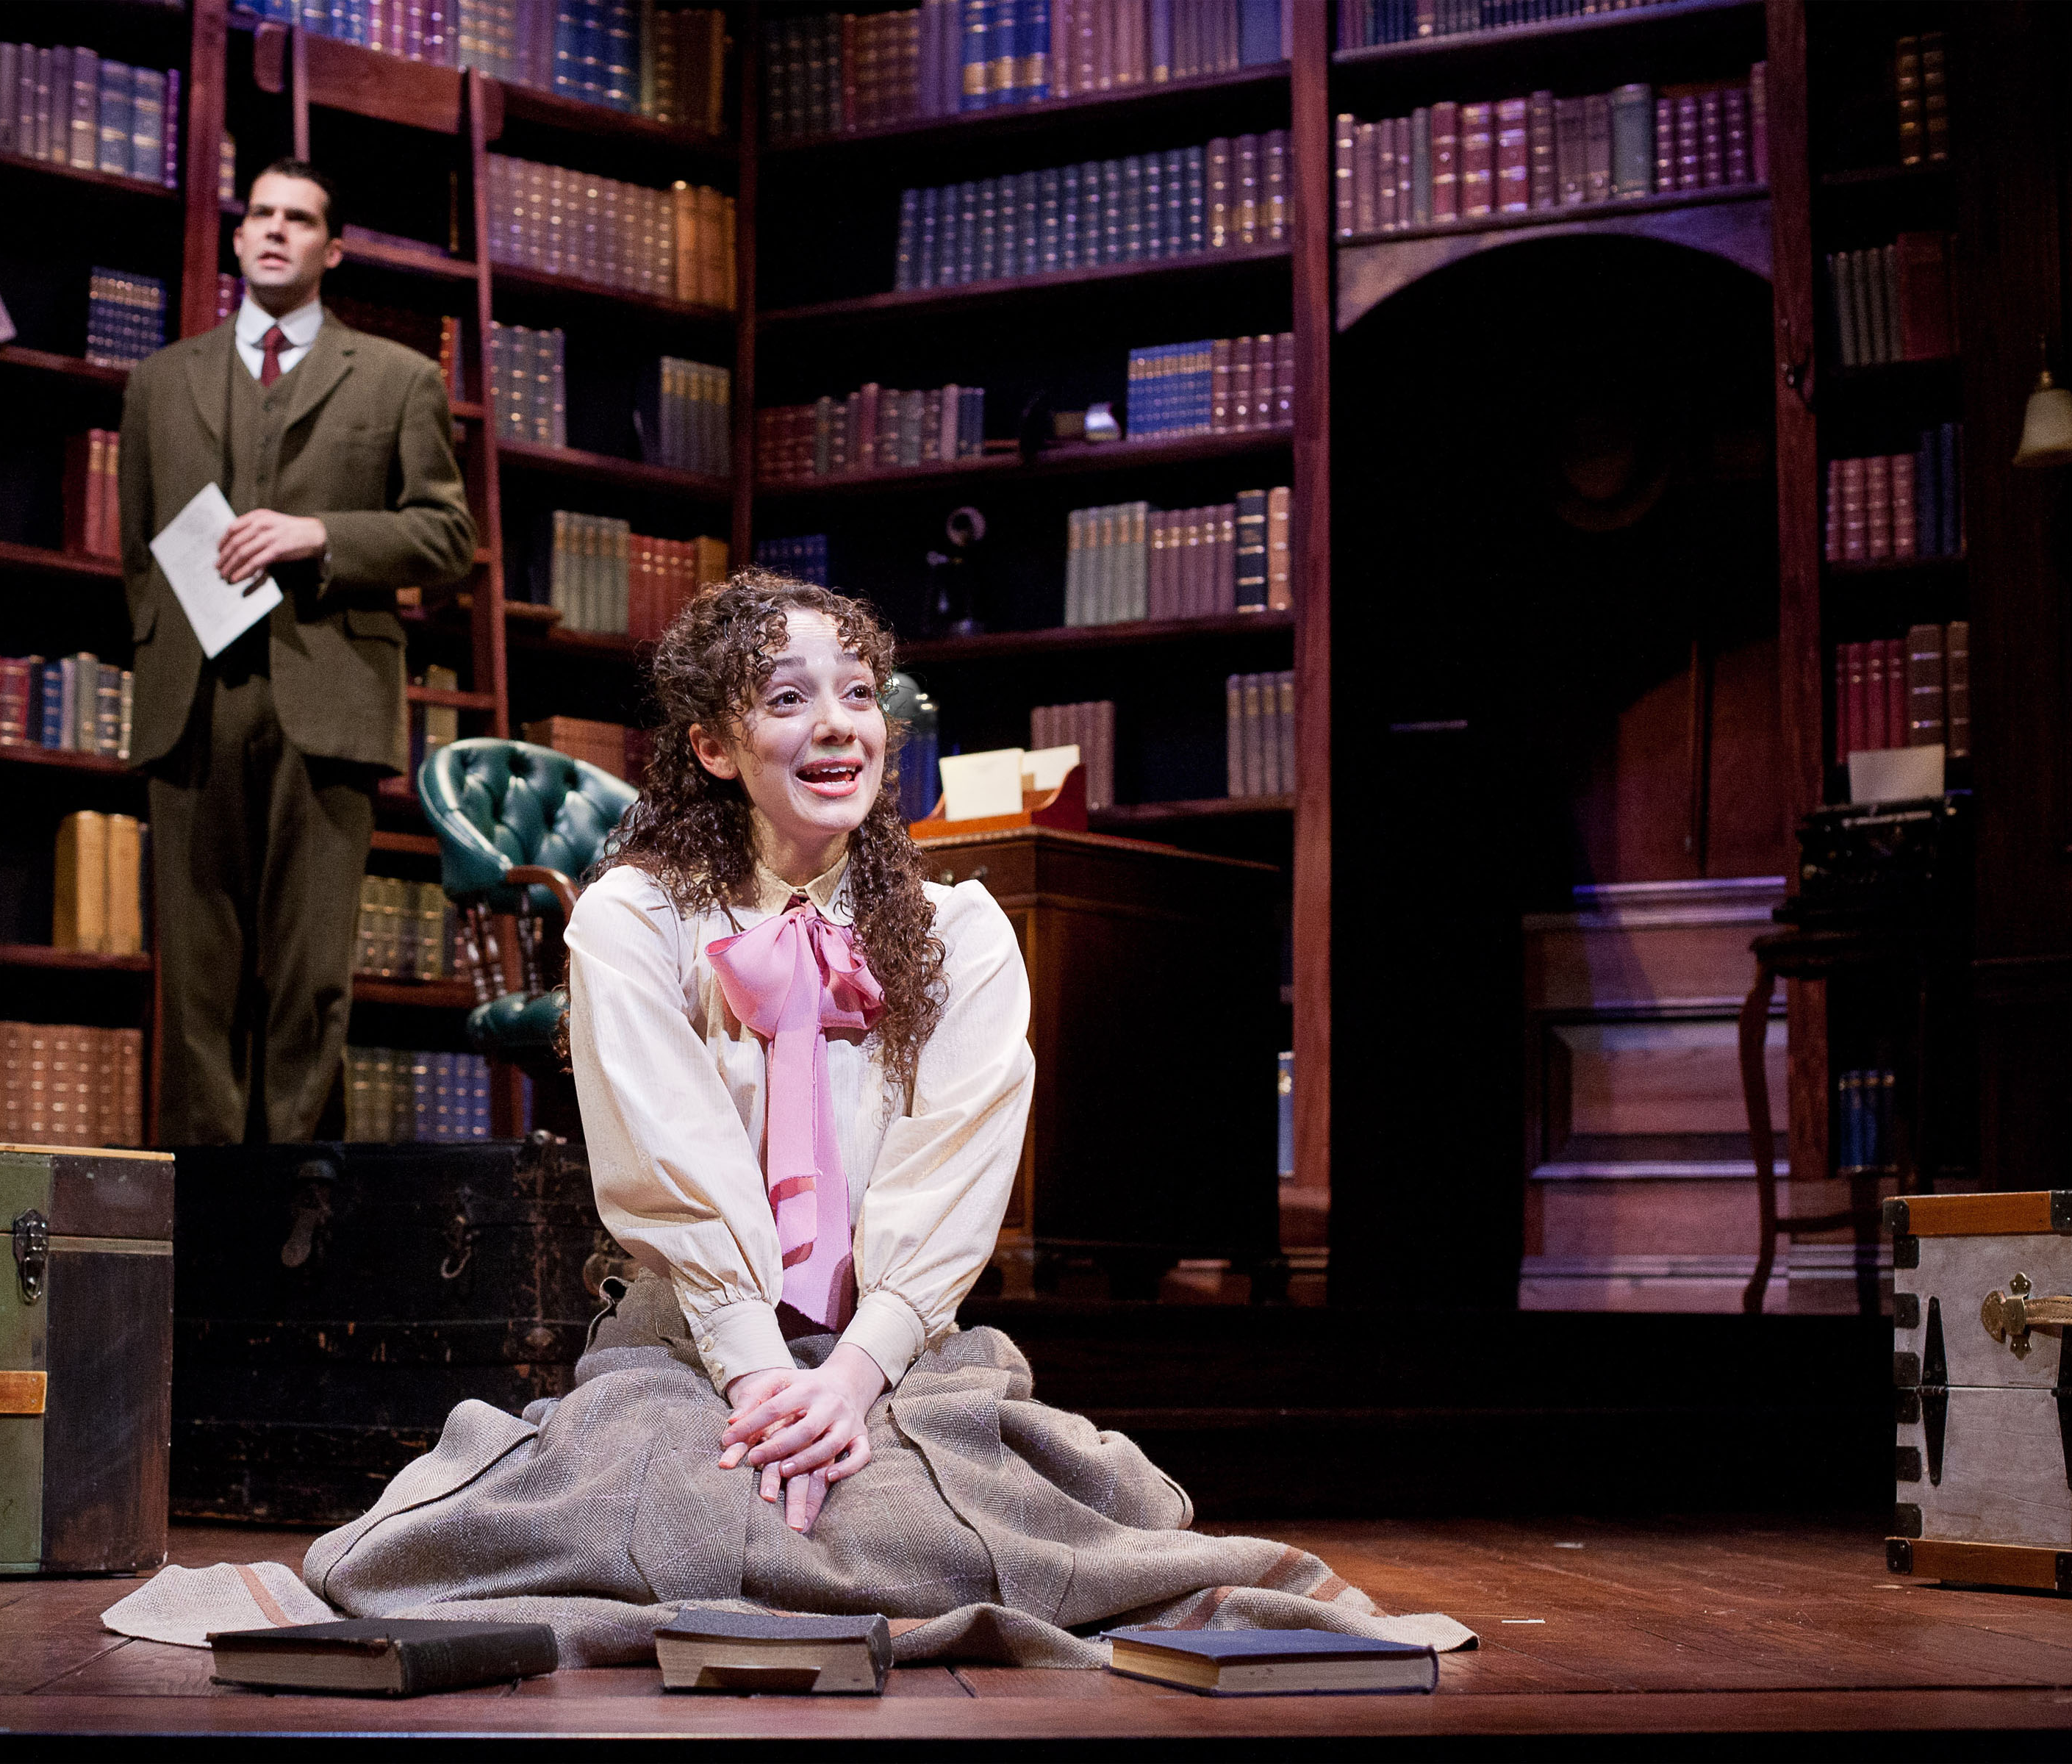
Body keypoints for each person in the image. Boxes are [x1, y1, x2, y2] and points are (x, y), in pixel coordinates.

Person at [105, 573, 1470, 1666]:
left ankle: (847, 1537)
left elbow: (948, 1182)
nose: (838, 727)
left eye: (859, 695)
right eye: (787, 698)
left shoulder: (962, 936)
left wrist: (850, 1382)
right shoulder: (636, 922)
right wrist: (767, 1386)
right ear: (712, 745)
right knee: (695, 1494)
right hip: (693, 1349)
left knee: (913, 1502)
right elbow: (674, 1166)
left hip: (896, 1358)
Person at [118, 158, 476, 1144]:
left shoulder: (398, 378)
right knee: (195, 974)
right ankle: (203, 1204)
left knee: (310, 974)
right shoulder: (159, 382)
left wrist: (321, 534)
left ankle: (294, 1199)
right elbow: (137, 551)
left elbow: (447, 538)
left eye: (301, 218)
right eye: (262, 215)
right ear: (239, 240)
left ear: (333, 249)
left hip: (328, 696)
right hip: (192, 699)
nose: (277, 230)